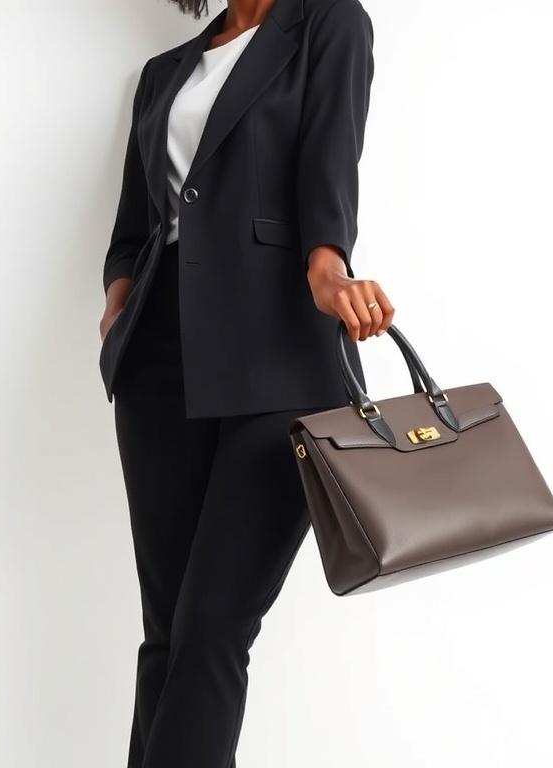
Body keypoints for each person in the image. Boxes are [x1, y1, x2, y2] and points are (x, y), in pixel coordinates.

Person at [96, 1, 390, 765]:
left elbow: (332, 165)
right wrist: (118, 305)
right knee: (165, 638)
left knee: (212, 631)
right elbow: (134, 228)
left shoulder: (329, 24)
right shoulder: (165, 74)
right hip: (160, 363)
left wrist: (329, 269)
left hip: (280, 354)